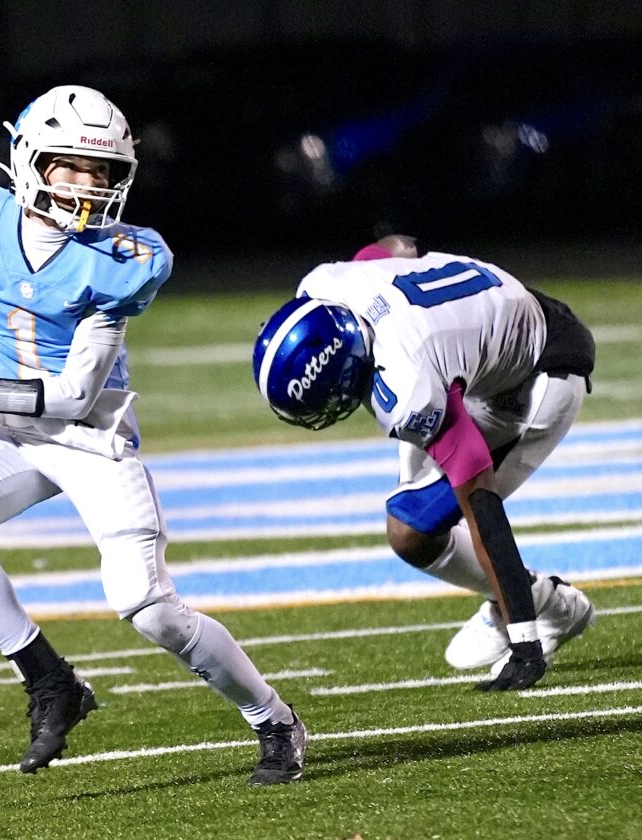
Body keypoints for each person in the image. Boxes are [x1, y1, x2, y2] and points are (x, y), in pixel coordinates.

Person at [0, 85, 305, 784]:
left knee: (150, 611)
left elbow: (74, 394)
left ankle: (274, 719)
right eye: (72, 166)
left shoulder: (122, 259)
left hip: (89, 436)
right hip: (10, 434)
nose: (88, 184)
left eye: (102, 170)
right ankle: (50, 680)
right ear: (29, 162)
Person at [253, 234, 596, 691]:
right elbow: (396, 247)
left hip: (539, 372)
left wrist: (525, 643)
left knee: (411, 532)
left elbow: (480, 500)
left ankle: (543, 608)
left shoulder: (408, 382)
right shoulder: (325, 285)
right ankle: (528, 598)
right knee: (412, 513)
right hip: (487, 334)